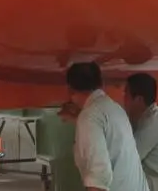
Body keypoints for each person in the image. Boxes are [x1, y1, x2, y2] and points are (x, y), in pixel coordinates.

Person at [60, 62, 149, 191]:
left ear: (70, 90)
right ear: (101, 84)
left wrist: (81, 120)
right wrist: (78, 120)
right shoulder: (115, 108)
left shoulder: (89, 117)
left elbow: (98, 177)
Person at [123, 74, 158, 191]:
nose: (123, 100)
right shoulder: (142, 119)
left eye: (126, 94)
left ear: (139, 100)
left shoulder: (152, 125)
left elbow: (127, 158)